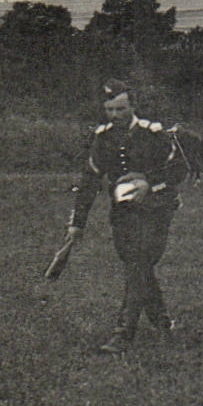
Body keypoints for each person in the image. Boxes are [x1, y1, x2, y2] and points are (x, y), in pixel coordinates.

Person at [67, 79, 189, 354]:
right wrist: (78, 223)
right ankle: (162, 322)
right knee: (138, 266)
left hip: (157, 208)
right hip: (123, 213)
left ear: (133, 107)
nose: (115, 115)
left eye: (120, 109)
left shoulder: (153, 134)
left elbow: (179, 169)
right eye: (109, 110)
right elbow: (90, 180)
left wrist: (149, 183)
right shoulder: (102, 138)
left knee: (139, 261)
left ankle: (123, 333)